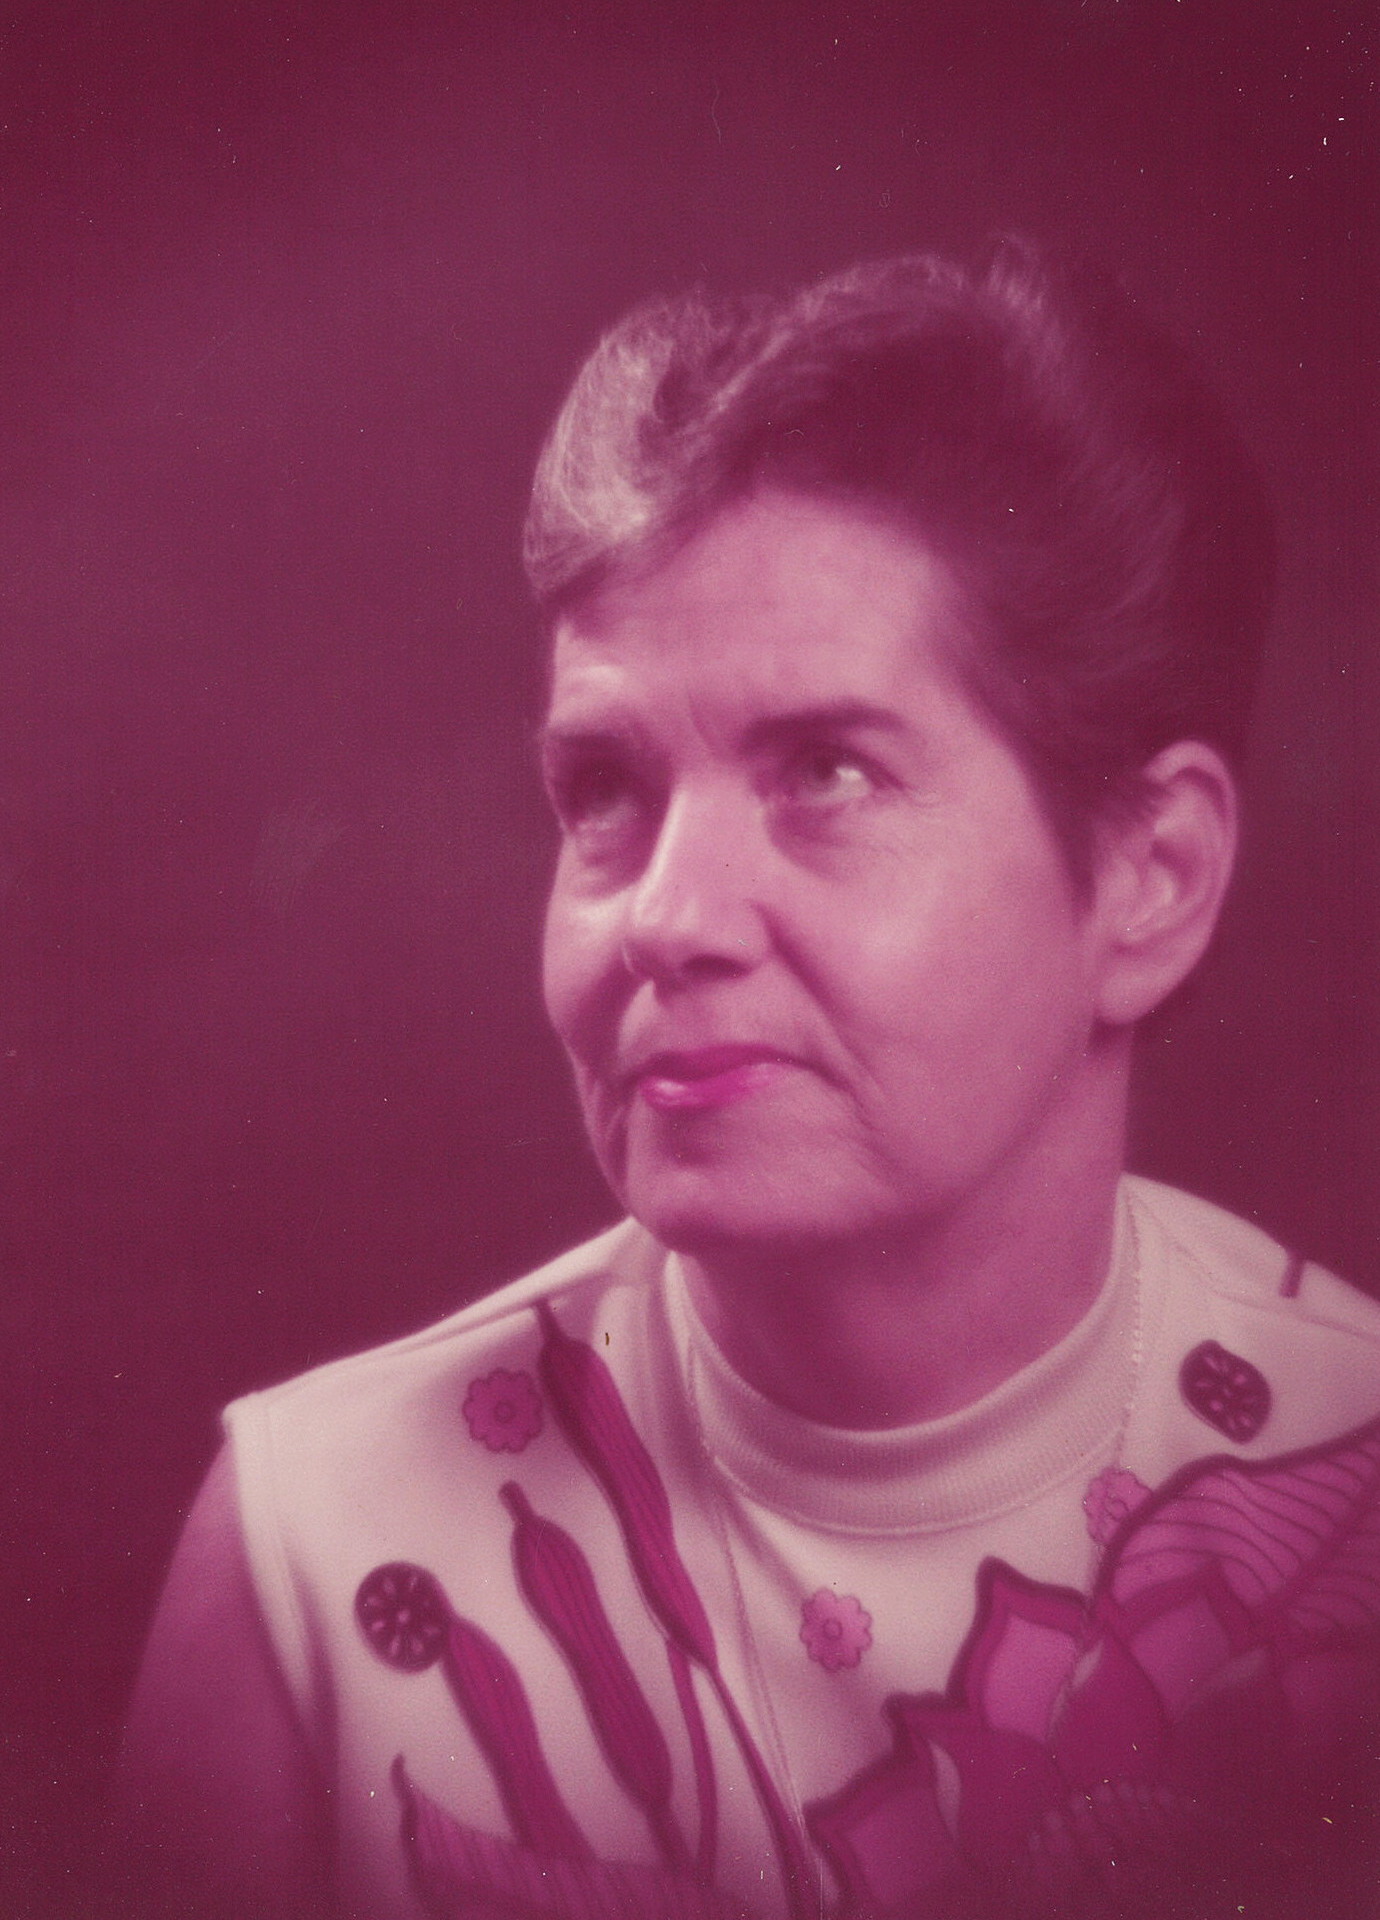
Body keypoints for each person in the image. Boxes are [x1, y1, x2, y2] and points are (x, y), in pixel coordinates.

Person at [120, 244, 1380, 1920]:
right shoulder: (313, 1562)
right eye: (606, 790)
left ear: (1151, 881)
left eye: (827, 772)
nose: (665, 918)